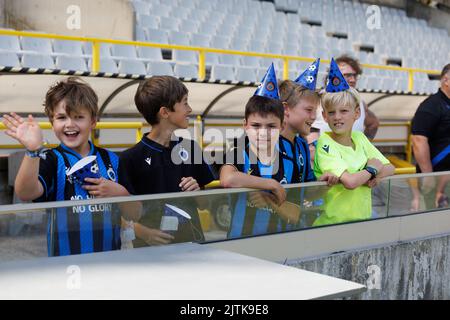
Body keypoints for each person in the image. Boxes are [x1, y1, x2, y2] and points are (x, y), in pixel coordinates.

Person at [2, 77, 133, 256]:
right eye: (62, 117)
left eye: (79, 117)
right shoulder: (50, 159)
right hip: (65, 266)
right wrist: (33, 151)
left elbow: (136, 213)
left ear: (93, 121)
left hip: (110, 261)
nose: (70, 124)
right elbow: (25, 192)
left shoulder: (112, 160)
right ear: (52, 121)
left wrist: (121, 194)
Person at [119, 76, 215, 246]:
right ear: (164, 112)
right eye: (185, 103)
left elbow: (206, 204)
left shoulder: (191, 149)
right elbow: (120, 214)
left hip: (192, 248)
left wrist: (197, 191)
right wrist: (145, 233)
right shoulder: (129, 159)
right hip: (150, 255)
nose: (190, 109)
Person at [220, 63, 302, 238]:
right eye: (256, 126)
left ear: (282, 126)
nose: (263, 132)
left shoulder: (289, 161)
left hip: (279, 246)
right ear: (245, 125)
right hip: (239, 245)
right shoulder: (238, 152)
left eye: (271, 126)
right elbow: (228, 179)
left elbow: (295, 215)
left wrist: (270, 202)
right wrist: (271, 184)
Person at [313, 58, 395, 226]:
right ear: (324, 116)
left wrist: (370, 175)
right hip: (333, 224)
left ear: (356, 113)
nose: (337, 117)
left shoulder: (360, 138)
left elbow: (390, 168)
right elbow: (350, 182)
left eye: (344, 111)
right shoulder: (325, 143)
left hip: (361, 222)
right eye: (332, 112)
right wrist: (371, 169)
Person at [279, 58, 338, 186]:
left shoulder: (302, 145)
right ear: (286, 108)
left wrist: (322, 182)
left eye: (315, 110)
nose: (314, 116)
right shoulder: (263, 140)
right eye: (308, 110)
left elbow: (306, 191)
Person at [313, 54, 379, 140]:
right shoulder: (318, 99)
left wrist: (364, 146)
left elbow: (374, 123)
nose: (353, 80)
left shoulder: (359, 102)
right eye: (347, 75)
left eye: (355, 76)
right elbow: (307, 131)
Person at [411, 63, 450, 209]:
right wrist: (428, 175)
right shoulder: (430, 106)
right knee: (433, 221)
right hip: (435, 178)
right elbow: (418, 140)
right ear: (446, 80)